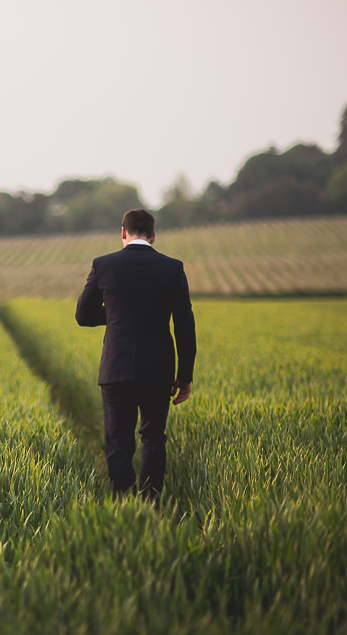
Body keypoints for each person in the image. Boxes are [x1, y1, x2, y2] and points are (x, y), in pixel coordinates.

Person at [75, 208, 196, 502]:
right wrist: (185, 376)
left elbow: (83, 315)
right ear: (153, 236)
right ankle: (152, 503)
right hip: (158, 369)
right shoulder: (173, 268)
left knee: (118, 442)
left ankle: (122, 504)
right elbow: (184, 325)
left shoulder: (103, 265)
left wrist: (118, 314)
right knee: (154, 438)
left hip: (116, 368)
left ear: (123, 233)